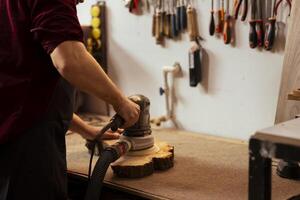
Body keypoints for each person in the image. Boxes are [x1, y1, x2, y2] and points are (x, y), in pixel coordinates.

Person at [0, 0, 140, 199]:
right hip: (28, 153)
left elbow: (25, 90)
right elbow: (70, 60)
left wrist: (86, 130)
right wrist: (121, 102)